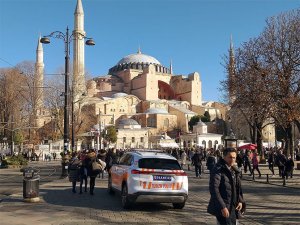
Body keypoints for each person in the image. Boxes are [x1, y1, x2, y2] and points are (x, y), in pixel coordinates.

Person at [207, 148, 246, 225]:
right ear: (224, 157)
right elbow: (214, 190)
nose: (232, 160)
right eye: (230, 157)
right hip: (224, 207)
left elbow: (237, 188)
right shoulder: (218, 169)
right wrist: (223, 207)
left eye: (234, 157)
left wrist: (240, 201)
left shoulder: (234, 170)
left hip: (234, 207)